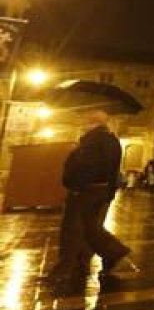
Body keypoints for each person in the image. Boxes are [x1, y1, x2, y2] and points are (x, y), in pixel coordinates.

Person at [47, 109, 130, 282]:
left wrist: (76, 184)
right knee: (89, 228)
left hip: (86, 190)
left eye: (85, 119)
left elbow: (88, 166)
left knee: (74, 229)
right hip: (100, 190)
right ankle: (82, 262)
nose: (83, 122)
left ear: (91, 122)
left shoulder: (94, 141)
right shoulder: (111, 140)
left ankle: (111, 252)